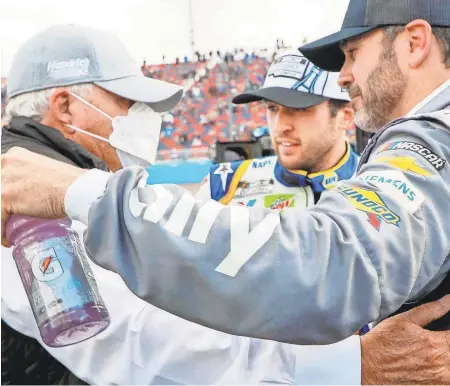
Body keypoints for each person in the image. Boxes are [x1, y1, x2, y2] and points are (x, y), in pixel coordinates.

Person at [2, 0, 450, 375]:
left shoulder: (426, 143)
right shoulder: (22, 202)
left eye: (353, 53)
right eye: (127, 103)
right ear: (64, 106)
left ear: (415, 43)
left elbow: (332, 264)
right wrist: (347, 367)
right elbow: (143, 337)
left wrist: (87, 193)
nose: (346, 74)